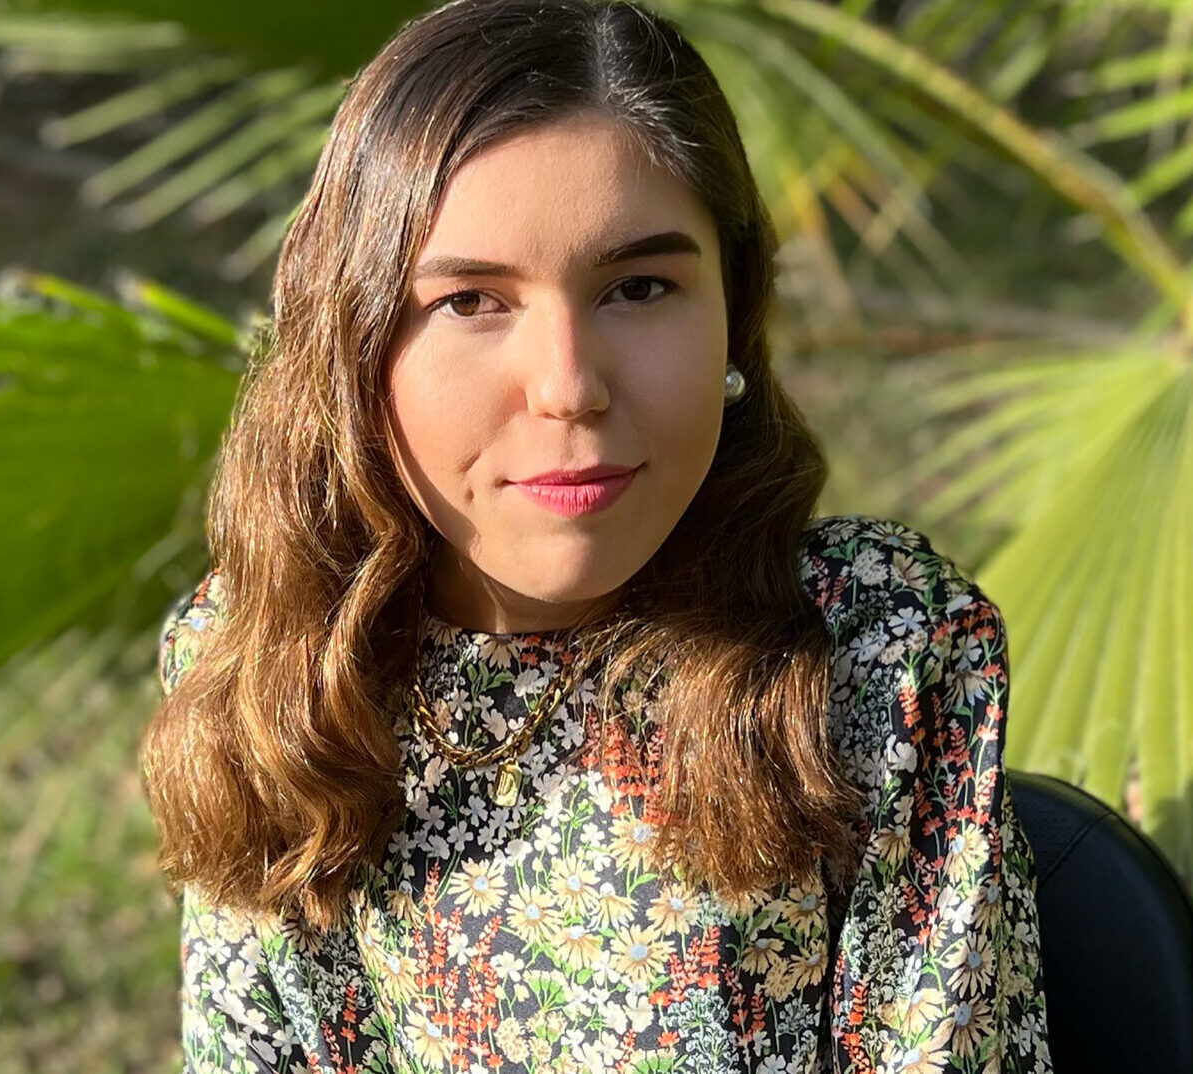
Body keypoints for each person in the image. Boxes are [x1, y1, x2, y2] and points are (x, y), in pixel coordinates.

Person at [142, 0, 1052, 1071]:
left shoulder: (875, 654)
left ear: (734, 312)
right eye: (472, 302)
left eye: (637, 287)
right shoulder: (265, 657)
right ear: (356, 346)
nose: (568, 387)